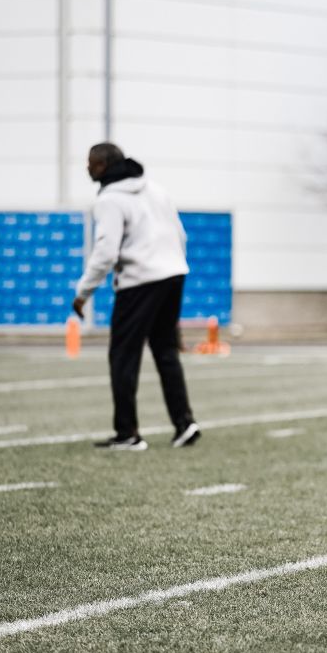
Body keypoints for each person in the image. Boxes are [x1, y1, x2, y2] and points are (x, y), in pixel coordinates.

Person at [73, 142, 201, 451]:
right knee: (166, 351)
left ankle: (127, 433)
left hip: (140, 281)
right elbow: (180, 235)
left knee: (123, 356)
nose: (87, 168)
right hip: (173, 274)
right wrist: (173, 266)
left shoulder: (109, 199)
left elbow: (105, 251)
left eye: (91, 163)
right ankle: (184, 423)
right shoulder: (155, 189)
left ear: (103, 166)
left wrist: (83, 292)